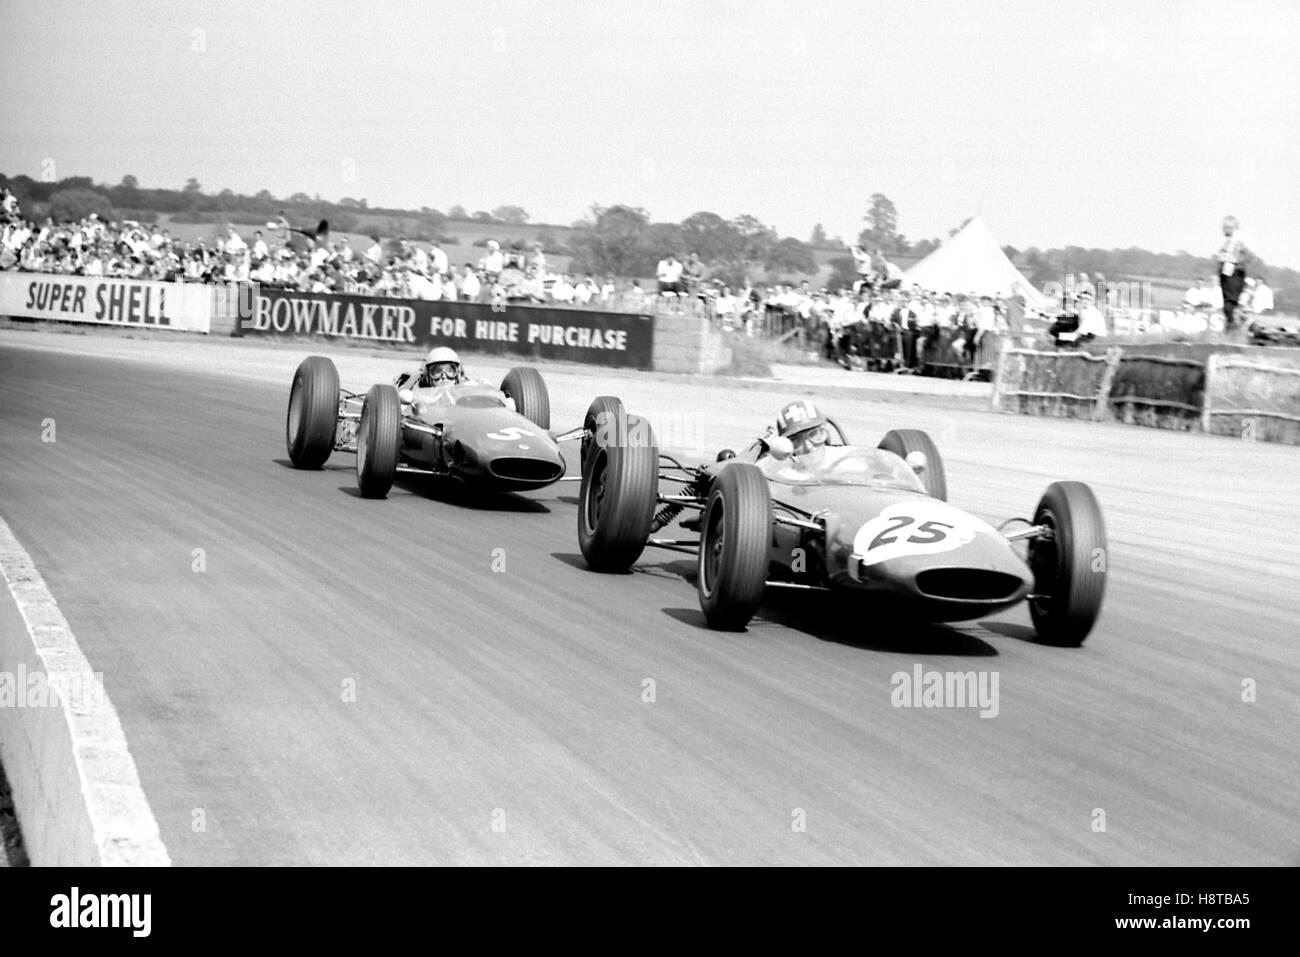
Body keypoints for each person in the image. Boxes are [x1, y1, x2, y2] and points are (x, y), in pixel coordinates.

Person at [1213, 215, 1252, 330]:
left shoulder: (1241, 238)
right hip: (1224, 270)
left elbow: (1251, 251)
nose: (1226, 229)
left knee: (1230, 302)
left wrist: (1240, 262)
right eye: (1224, 227)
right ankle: (1231, 325)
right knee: (1227, 302)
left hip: (1235, 269)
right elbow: (1216, 254)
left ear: (1235, 227)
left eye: (1229, 227)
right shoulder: (1222, 239)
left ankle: (1233, 325)